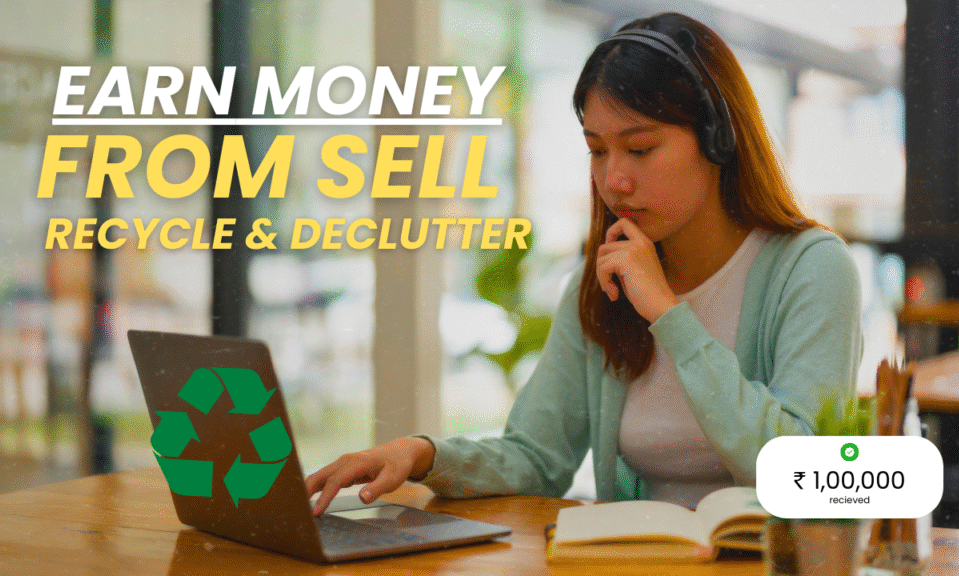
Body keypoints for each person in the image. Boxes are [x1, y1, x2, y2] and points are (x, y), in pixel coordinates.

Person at [306, 11, 862, 515]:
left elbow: (805, 477)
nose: (613, 180)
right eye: (597, 150)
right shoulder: (603, 282)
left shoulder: (811, 269)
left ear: (719, 140)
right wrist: (422, 454)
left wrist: (670, 317)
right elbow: (536, 456)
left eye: (640, 149)